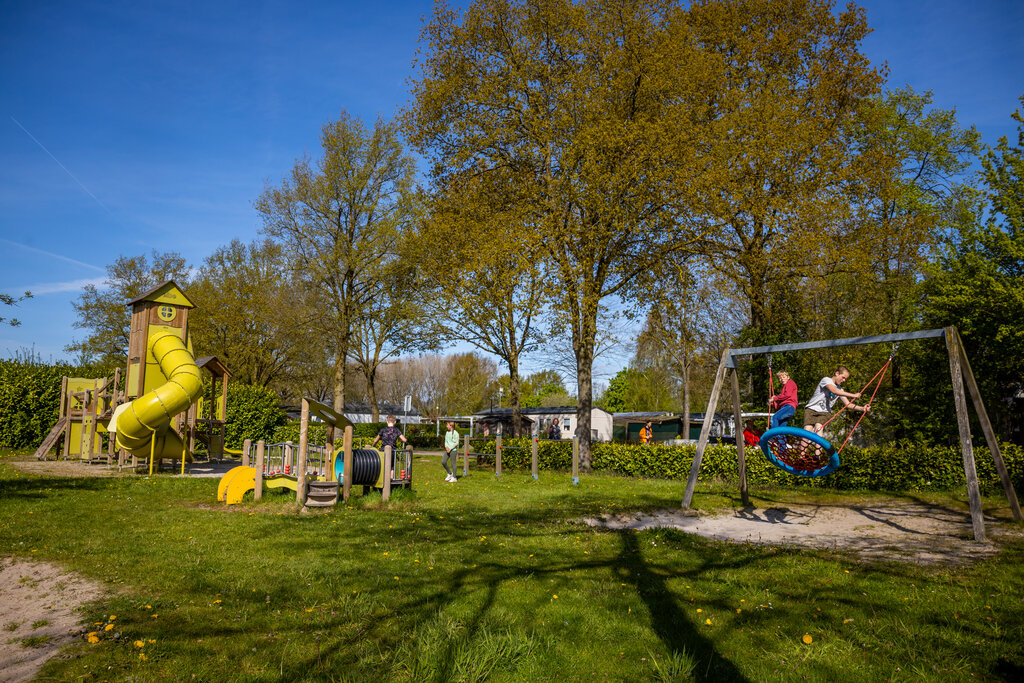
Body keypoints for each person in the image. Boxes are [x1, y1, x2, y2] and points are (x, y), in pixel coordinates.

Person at [803, 366, 869, 436]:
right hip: (811, 409)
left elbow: (848, 404)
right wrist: (853, 395)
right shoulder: (826, 380)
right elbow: (834, 391)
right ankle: (802, 446)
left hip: (824, 412)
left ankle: (818, 446)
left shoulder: (840, 390)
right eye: (843, 377)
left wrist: (862, 408)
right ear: (837, 373)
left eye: (845, 379)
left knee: (819, 428)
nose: (844, 380)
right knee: (807, 429)